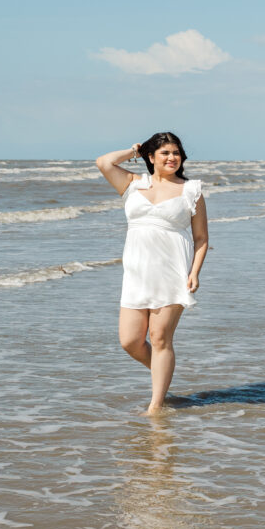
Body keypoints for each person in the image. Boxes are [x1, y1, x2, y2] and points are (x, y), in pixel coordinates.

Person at [95, 132, 208, 415]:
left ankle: (155, 407)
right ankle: (163, 370)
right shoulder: (133, 184)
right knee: (130, 341)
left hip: (172, 271)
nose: (172, 158)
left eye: (176, 153)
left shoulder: (191, 190)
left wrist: (194, 272)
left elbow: (201, 238)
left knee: (159, 339)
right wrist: (132, 151)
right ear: (150, 157)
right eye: (165, 153)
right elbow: (104, 162)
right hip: (136, 273)